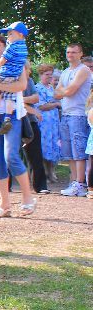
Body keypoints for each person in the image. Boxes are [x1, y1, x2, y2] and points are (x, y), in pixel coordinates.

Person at [0, 34, 36, 217]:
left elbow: (21, 86)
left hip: (13, 116)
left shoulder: (17, 67)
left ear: (5, 47)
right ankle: (5, 203)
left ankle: (27, 198)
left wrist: (0, 86)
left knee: (11, 156)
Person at [54, 43, 91, 196]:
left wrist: (64, 90)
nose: (71, 55)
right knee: (68, 152)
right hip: (66, 114)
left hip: (78, 114)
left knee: (79, 150)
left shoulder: (84, 70)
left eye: (74, 52)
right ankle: (74, 181)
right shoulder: (65, 72)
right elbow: (56, 94)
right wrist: (64, 91)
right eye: (68, 52)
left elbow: (70, 90)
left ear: (81, 54)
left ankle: (81, 183)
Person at [0, 22, 29, 134]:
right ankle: (5, 118)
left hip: (5, 75)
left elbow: (22, 86)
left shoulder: (12, 47)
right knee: (9, 98)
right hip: (13, 76)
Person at [34, 63, 61, 183]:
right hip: (44, 122)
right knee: (44, 147)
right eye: (47, 75)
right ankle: (44, 172)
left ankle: (51, 171)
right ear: (41, 75)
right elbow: (42, 106)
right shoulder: (38, 88)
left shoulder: (51, 88)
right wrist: (55, 104)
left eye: (51, 75)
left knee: (54, 146)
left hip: (54, 122)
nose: (49, 77)